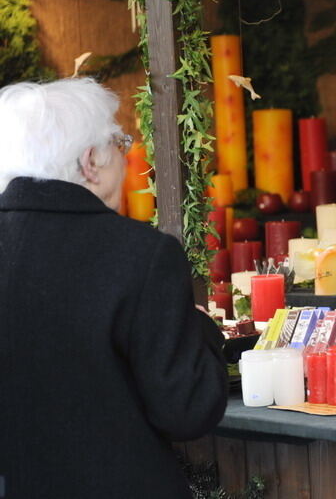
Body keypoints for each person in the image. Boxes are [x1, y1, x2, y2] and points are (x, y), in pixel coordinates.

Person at [0, 78, 229, 498]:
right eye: (122, 144)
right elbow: (187, 412)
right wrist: (202, 331)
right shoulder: (140, 255)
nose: (126, 161)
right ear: (90, 162)